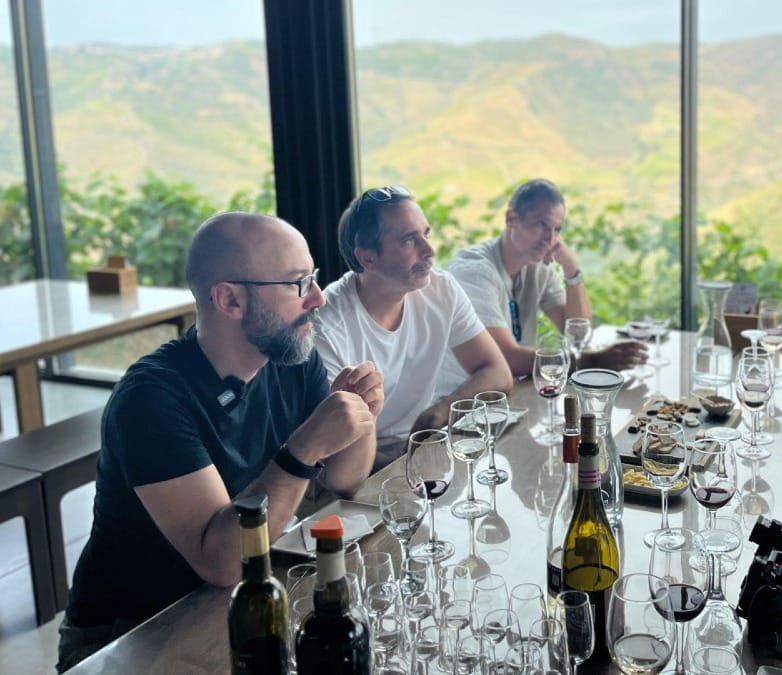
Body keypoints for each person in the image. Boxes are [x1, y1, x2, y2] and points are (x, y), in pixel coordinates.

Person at [58, 213, 383, 671]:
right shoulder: (151, 400)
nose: (317, 298)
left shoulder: (289, 355)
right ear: (230, 298)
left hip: (242, 601)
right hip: (129, 634)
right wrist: (303, 448)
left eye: (313, 279)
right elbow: (223, 564)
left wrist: (360, 414)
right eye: (297, 284)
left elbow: (347, 479)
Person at [314, 185, 512, 471]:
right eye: (409, 241)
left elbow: (498, 372)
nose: (429, 250)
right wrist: (410, 467)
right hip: (357, 471)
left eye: (426, 235)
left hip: (424, 450)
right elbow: (329, 456)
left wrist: (439, 412)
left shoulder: (441, 289)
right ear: (367, 258)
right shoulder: (328, 326)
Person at [442, 178, 646, 385]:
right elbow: (505, 358)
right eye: (542, 225)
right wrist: (593, 360)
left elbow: (578, 334)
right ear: (511, 219)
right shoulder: (474, 272)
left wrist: (571, 269)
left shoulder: (537, 266)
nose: (550, 239)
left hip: (511, 394)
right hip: (462, 404)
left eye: (557, 229)